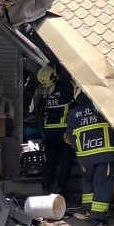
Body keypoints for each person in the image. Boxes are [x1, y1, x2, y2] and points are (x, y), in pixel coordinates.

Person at [65, 86, 114, 226]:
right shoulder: (105, 108)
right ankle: (98, 218)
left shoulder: (73, 113)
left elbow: (69, 136)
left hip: (84, 157)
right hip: (105, 154)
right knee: (102, 184)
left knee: (88, 181)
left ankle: (88, 211)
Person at [35, 65, 76, 196]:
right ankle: (60, 190)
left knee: (51, 161)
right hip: (65, 132)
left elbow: (38, 110)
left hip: (49, 132)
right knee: (66, 161)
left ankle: (47, 187)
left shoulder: (43, 91)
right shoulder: (68, 87)